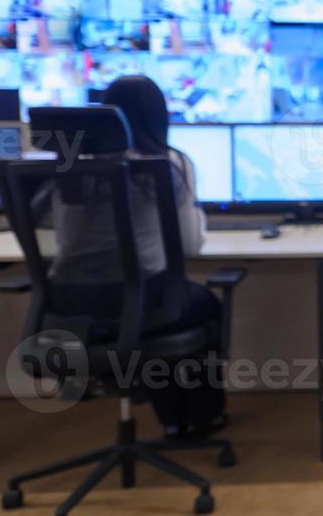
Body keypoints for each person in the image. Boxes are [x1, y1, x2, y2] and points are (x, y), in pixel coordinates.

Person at [48, 75, 225, 438]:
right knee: (198, 304)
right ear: (159, 116)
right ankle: (201, 417)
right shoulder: (164, 163)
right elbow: (190, 247)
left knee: (155, 303)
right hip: (144, 303)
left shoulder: (68, 169)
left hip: (68, 308)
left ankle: (172, 420)